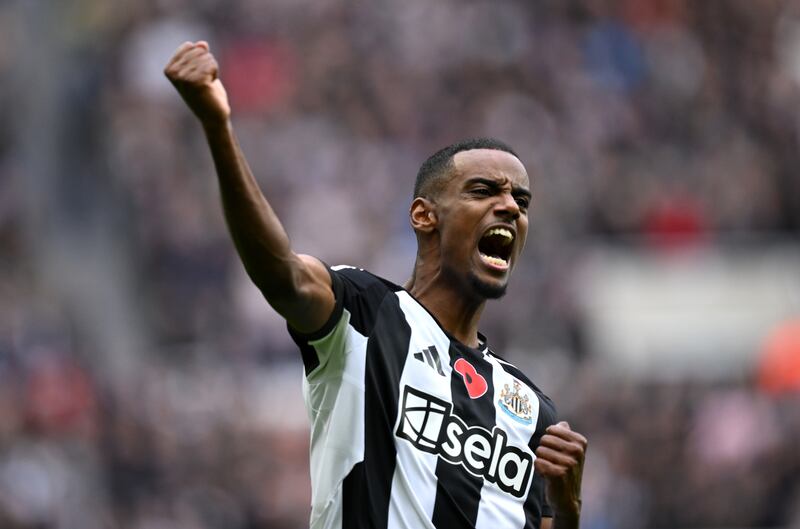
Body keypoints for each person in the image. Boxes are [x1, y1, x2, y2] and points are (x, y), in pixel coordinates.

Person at [164, 40, 587, 529]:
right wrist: (218, 128)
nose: (511, 207)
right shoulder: (365, 313)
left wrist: (568, 509)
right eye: (483, 191)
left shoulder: (531, 408)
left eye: (522, 200)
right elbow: (279, 271)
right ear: (424, 216)